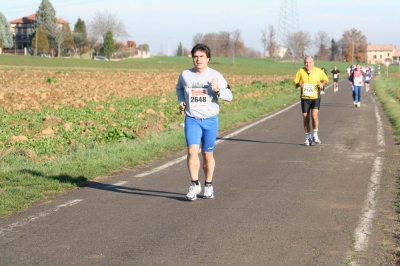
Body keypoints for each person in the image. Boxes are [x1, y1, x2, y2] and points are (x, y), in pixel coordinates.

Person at [176, 43, 233, 201]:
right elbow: (179, 89)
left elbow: (230, 95)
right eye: (195, 56)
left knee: (207, 155)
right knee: (192, 151)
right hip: (192, 119)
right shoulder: (185, 75)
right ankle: (194, 184)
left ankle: (208, 185)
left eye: (201, 56)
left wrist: (218, 91)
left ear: (208, 59)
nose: (198, 59)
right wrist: (181, 100)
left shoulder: (215, 75)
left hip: (210, 120)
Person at [293, 56, 329, 146]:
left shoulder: (318, 71)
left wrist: (322, 83)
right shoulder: (301, 71)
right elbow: (295, 81)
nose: (308, 64)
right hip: (305, 98)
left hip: (315, 97)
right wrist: (298, 84)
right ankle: (308, 137)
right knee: (305, 119)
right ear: (304, 63)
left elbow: (325, 79)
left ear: (313, 63)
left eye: (310, 62)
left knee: (314, 116)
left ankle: (315, 135)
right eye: (306, 62)